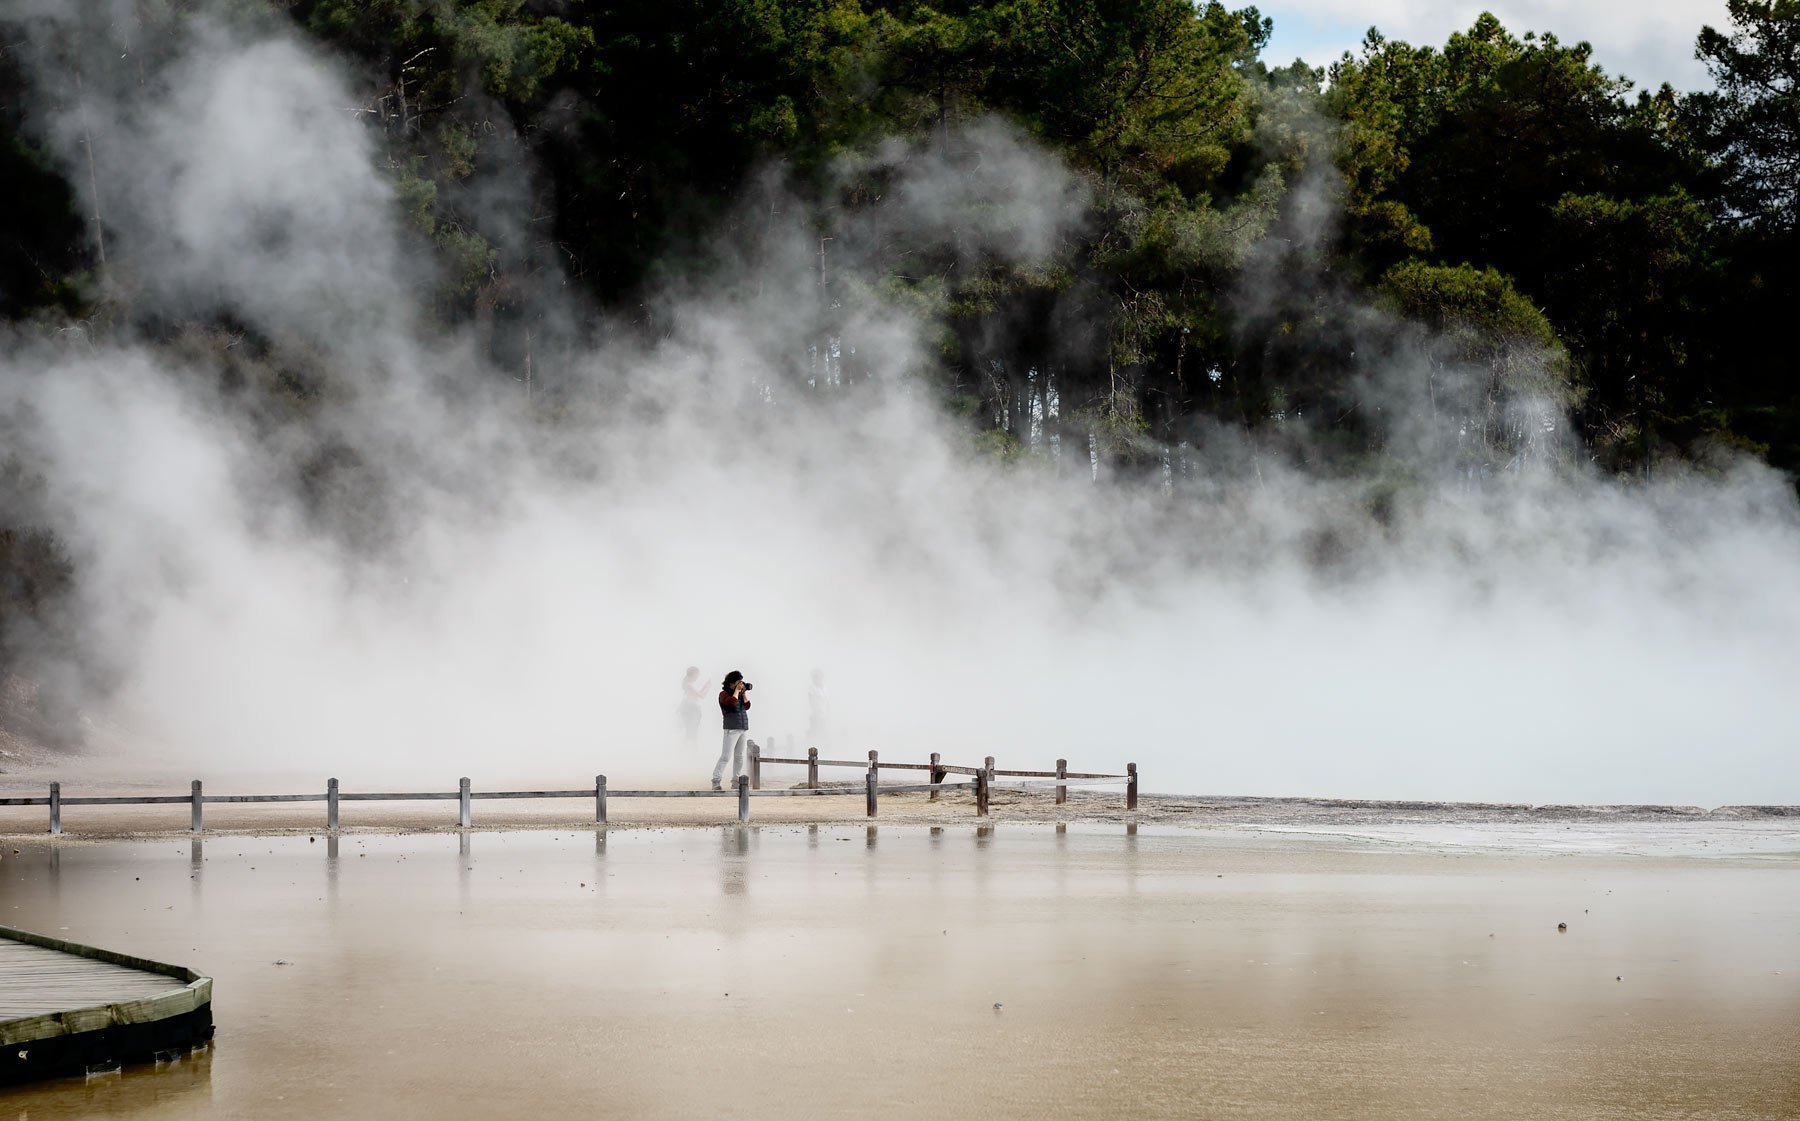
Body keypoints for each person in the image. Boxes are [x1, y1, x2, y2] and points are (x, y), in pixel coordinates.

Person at [713, 670, 752, 790]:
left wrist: (743, 694)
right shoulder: (723, 694)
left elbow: (747, 706)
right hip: (731, 729)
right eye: (738, 682)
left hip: (742, 728)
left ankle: (736, 781)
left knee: (739, 757)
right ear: (731, 683)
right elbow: (732, 703)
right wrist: (737, 691)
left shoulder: (738, 694)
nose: (740, 684)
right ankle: (716, 781)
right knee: (726, 756)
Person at [678, 666, 705, 746]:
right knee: (692, 729)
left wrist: (705, 687)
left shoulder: (687, 684)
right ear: (693, 674)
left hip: (689, 708)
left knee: (690, 729)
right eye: (697, 674)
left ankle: (689, 747)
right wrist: (707, 687)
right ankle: (691, 747)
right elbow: (701, 696)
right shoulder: (689, 685)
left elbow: (697, 694)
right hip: (691, 708)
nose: (698, 676)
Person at [807, 668, 830, 749]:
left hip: (824, 714)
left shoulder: (824, 687)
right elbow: (811, 701)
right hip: (815, 714)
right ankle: (815, 747)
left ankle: (824, 747)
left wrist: (827, 711)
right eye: (816, 677)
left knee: (823, 731)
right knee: (816, 732)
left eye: (820, 677)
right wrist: (816, 711)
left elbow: (827, 700)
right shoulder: (812, 688)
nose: (818, 679)